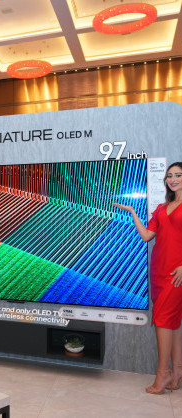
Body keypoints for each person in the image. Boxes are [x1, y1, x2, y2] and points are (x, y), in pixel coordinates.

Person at [113, 161, 182, 394]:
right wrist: (133, 212)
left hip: (177, 274)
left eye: (178, 175)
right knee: (172, 322)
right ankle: (177, 372)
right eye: (169, 175)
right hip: (158, 272)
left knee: (163, 320)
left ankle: (163, 375)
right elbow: (146, 236)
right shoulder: (162, 208)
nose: (173, 179)